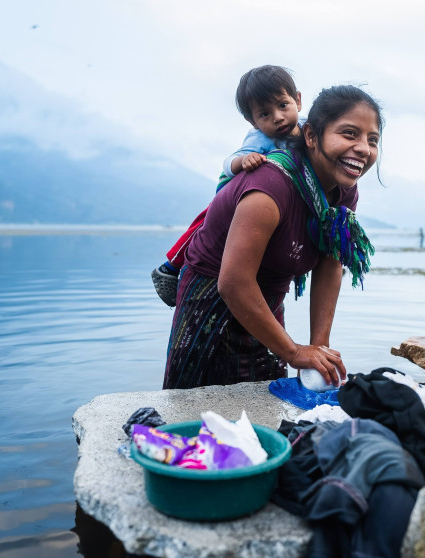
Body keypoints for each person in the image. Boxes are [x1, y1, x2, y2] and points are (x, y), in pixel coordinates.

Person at [163, 84, 383, 390]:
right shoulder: (270, 185)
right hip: (211, 304)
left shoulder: (343, 189)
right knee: (197, 408)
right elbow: (234, 282)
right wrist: (293, 352)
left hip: (266, 302)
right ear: (311, 136)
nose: (363, 148)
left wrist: (318, 349)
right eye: (349, 134)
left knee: (267, 403)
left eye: (372, 140)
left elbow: (330, 265)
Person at [151, 65, 304, 306]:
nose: (277, 117)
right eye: (264, 114)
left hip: (272, 203)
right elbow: (227, 163)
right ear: (252, 121)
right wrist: (244, 161)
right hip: (234, 194)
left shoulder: (309, 130)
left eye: (283, 105)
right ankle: (170, 267)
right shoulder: (260, 138)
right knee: (204, 225)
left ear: (298, 100)